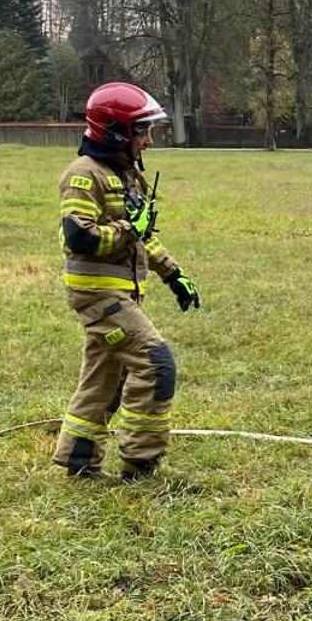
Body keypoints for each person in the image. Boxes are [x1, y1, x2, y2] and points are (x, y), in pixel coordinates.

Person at [52, 81, 201, 481]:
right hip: (98, 296)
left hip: (123, 292)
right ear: (116, 133)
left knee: (104, 378)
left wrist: (173, 274)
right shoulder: (84, 176)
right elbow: (80, 237)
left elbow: (143, 238)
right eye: (142, 131)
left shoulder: (126, 175)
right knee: (155, 363)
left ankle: (78, 460)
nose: (148, 141)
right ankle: (141, 461)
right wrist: (126, 229)